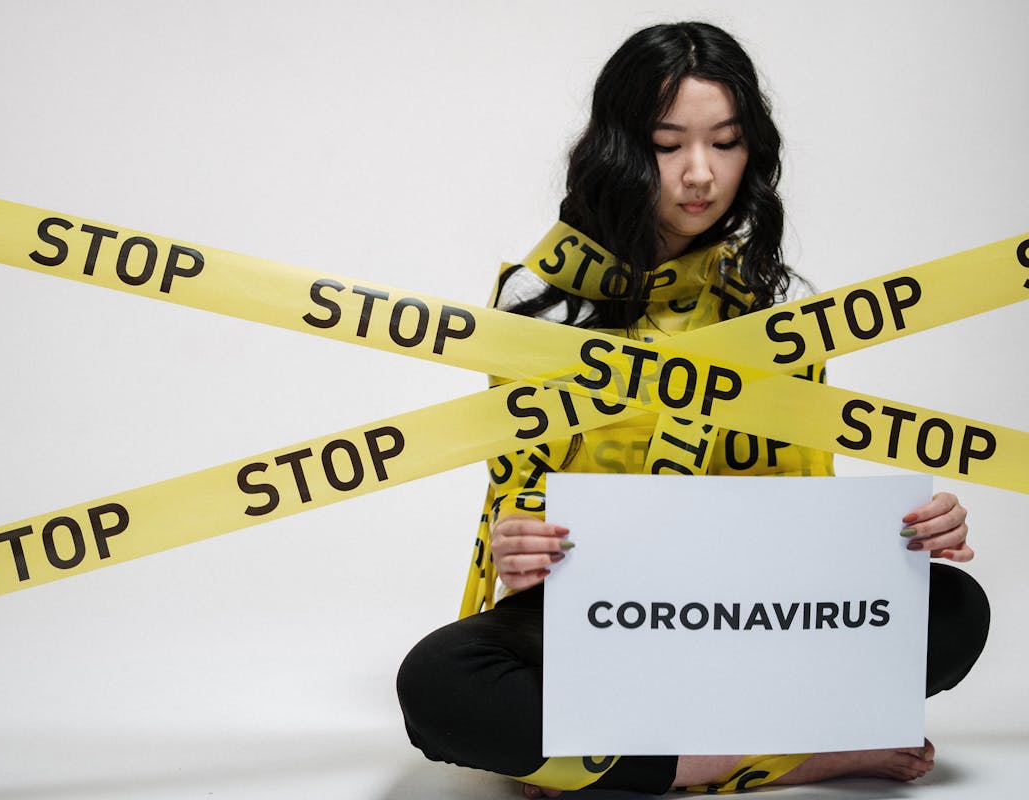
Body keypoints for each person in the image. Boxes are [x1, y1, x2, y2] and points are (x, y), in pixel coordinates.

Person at [396, 21, 989, 797]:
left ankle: (603, 762)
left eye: (726, 142)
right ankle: (797, 756)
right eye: (667, 144)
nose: (700, 174)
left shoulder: (779, 305)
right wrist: (518, 545)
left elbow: (803, 513)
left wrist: (907, 540)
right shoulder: (534, 303)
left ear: (755, 151)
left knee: (953, 611)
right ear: (618, 148)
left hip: (750, 623)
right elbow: (517, 487)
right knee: (439, 683)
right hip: (602, 621)